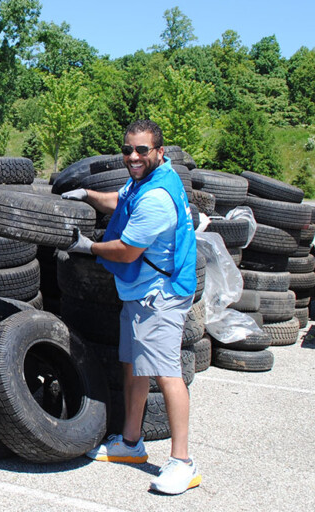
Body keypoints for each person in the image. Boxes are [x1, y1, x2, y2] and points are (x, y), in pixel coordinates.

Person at [62, 120, 201, 495]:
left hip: (161, 296)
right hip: (139, 292)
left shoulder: (156, 198)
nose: (133, 157)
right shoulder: (146, 180)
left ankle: (183, 463)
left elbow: (126, 250)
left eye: (142, 150)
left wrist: (87, 246)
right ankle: (130, 442)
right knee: (135, 366)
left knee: (167, 373)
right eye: (128, 150)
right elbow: (119, 200)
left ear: (159, 151)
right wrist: (87, 194)